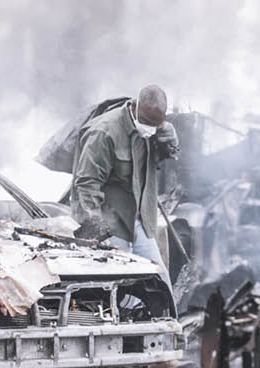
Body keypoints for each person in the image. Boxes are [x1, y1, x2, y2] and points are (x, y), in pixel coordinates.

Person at [71, 84, 179, 287]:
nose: (151, 129)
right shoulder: (104, 133)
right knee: (118, 284)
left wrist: (169, 140)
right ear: (136, 107)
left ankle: (166, 319)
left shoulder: (155, 128)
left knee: (159, 282)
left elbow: (167, 157)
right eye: (148, 122)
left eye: (157, 124)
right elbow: (87, 184)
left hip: (140, 221)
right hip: (111, 224)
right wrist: (95, 228)